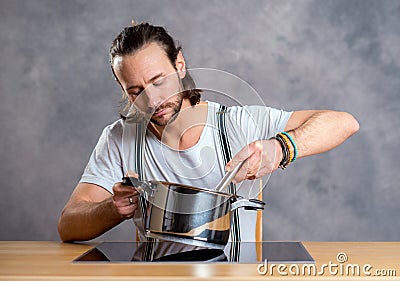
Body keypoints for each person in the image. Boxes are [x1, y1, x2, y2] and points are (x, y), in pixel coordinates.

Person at [58, 22, 359, 244]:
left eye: (159, 80)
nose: (152, 101)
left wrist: (281, 148)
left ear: (179, 64)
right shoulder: (119, 139)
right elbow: (68, 225)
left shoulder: (237, 124)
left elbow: (343, 122)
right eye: (135, 91)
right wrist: (113, 208)